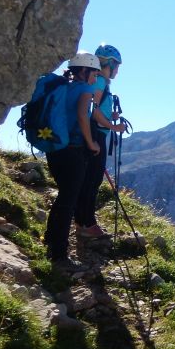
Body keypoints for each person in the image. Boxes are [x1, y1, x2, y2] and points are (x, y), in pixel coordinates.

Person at [43, 51, 101, 266]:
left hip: (53, 147)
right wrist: (91, 142)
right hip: (72, 149)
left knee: (63, 197)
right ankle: (59, 255)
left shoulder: (63, 87)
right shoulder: (85, 89)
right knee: (69, 200)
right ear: (84, 71)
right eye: (94, 73)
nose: (95, 79)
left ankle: (51, 239)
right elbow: (82, 115)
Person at [74, 44, 126, 238]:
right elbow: (92, 112)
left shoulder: (100, 83)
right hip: (96, 135)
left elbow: (97, 109)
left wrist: (109, 116)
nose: (118, 70)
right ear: (109, 64)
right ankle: (86, 223)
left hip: (97, 133)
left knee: (92, 178)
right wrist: (114, 127)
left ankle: (83, 220)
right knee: (92, 179)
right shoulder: (100, 83)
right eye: (117, 66)